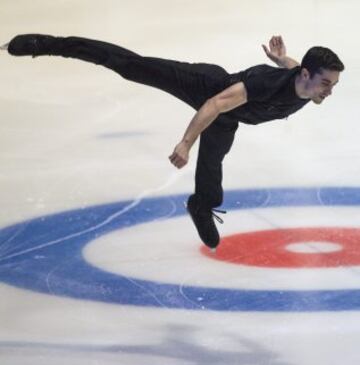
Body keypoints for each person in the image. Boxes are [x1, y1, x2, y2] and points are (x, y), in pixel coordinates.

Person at [1, 34, 344, 249]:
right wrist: (185, 143)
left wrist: (281, 57)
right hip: (207, 88)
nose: (329, 91)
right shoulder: (267, 84)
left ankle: (201, 205)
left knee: (213, 165)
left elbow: (296, 66)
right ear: (307, 77)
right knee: (132, 66)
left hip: (228, 118)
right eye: (326, 83)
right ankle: (40, 44)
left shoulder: (306, 85)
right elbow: (215, 104)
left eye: (332, 84)